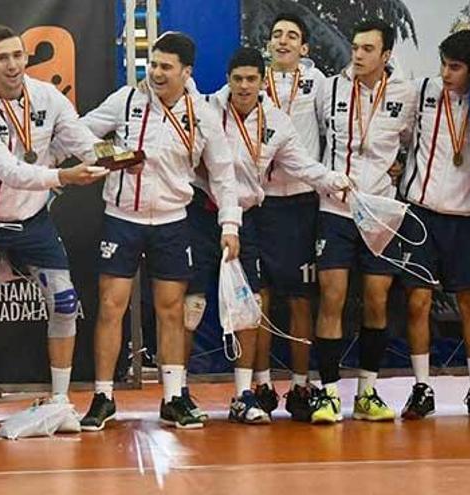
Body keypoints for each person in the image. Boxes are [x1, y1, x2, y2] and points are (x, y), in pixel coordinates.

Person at [0, 25, 106, 440]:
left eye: (17, 55)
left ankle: (61, 402)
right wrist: (63, 176)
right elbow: (9, 170)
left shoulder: (47, 96)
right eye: (2, 58)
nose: (12, 65)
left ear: (25, 57)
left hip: (32, 222)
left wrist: (118, 159)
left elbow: (83, 141)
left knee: (65, 302)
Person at [78, 32, 242, 431]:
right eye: (152, 64)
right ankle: (103, 396)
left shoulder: (201, 114)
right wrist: (114, 158)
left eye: (166, 67)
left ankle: (173, 398)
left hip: (171, 221)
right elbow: (79, 134)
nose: (156, 73)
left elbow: (223, 174)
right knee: (111, 306)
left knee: (172, 311)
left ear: (187, 72)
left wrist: (230, 224)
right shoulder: (127, 100)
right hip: (122, 218)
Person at [197, 47, 350, 424]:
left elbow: (303, 165)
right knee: (213, 304)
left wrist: (333, 181)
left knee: (269, 302)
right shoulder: (207, 111)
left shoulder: (278, 122)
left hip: (256, 214)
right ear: (228, 80)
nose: (244, 86)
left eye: (251, 79)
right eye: (238, 79)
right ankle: (237, 391)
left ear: (262, 81)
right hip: (208, 216)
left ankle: (290, 388)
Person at [311, 19, 416, 424]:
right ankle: (329, 394)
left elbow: (411, 142)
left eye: (368, 49)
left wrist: (398, 168)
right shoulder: (330, 88)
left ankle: (368, 392)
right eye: (355, 46)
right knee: (332, 295)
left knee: (376, 299)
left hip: (379, 211)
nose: (357, 54)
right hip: (335, 208)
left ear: (386, 55)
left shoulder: (404, 94)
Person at [398, 29, 470, 420]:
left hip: (464, 218)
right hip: (421, 213)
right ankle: (421, 388)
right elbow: (400, 134)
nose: (445, 73)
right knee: (417, 301)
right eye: (443, 64)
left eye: (454, 67)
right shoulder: (421, 91)